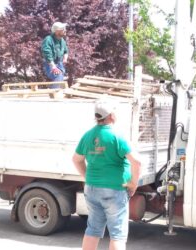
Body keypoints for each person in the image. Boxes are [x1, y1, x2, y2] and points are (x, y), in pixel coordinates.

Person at [72, 99, 141, 250]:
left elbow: (76, 160)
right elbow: (137, 162)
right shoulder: (117, 136)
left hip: (91, 188)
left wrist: (87, 177)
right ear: (111, 115)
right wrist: (133, 184)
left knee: (93, 229)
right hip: (114, 189)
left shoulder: (88, 135)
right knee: (117, 234)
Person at [41, 21, 69, 88]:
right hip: (50, 63)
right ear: (57, 31)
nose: (65, 30)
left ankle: (53, 92)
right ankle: (54, 94)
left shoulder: (62, 40)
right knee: (57, 75)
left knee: (60, 76)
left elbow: (66, 51)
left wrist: (65, 59)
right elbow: (47, 54)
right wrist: (53, 66)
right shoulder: (48, 39)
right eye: (63, 29)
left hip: (59, 62)